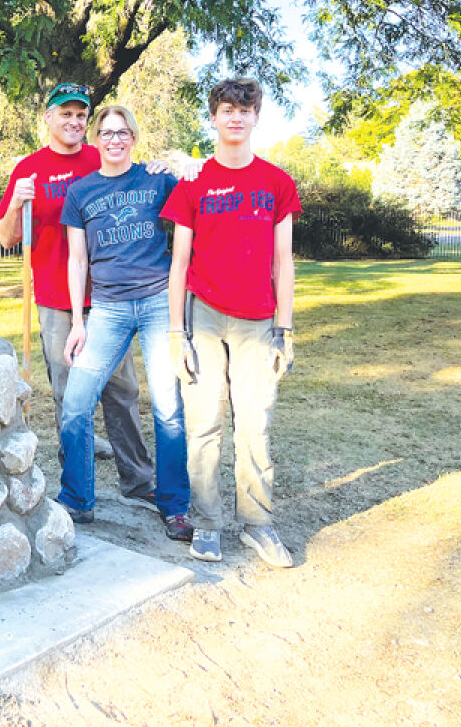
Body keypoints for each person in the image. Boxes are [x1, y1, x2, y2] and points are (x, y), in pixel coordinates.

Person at [0, 83, 166, 516]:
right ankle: (77, 483)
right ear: (48, 118)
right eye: (65, 113)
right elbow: (6, 238)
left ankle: (138, 478)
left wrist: (165, 167)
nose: (73, 122)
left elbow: (144, 191)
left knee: (122, 389)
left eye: (80, 115)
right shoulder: (29, 169)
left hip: (111, 298)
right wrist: (17, 203)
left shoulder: (101, 155)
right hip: (56, 298)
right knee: (69, 392)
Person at [161, 77, 300, 567]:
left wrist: (285, 329)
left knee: (255, 425)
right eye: (226, 109)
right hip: (203, 318)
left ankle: (258, 525)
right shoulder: (194, 184)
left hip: (258, 323)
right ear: (214, 118)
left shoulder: (277, 183)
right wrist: (177, 333)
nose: (236, 118)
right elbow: (178, 264)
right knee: (203, 425)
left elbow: (284, 263)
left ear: (256, 116)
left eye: (245, 110)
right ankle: (207, 522)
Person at [55, 105, 191, 539]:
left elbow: (199, 198)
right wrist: (78, 321)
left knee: (168, 409)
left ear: (133, 136)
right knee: (76, 404)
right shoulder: (81, 193)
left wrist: (182, 164)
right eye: (107, 133)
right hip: (108, 310)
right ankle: (77, 500)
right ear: (96, 140)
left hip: (157, 304)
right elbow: (78, 261)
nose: (114, 140)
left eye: (122, 132)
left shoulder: (157, 180)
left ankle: (174, 506)